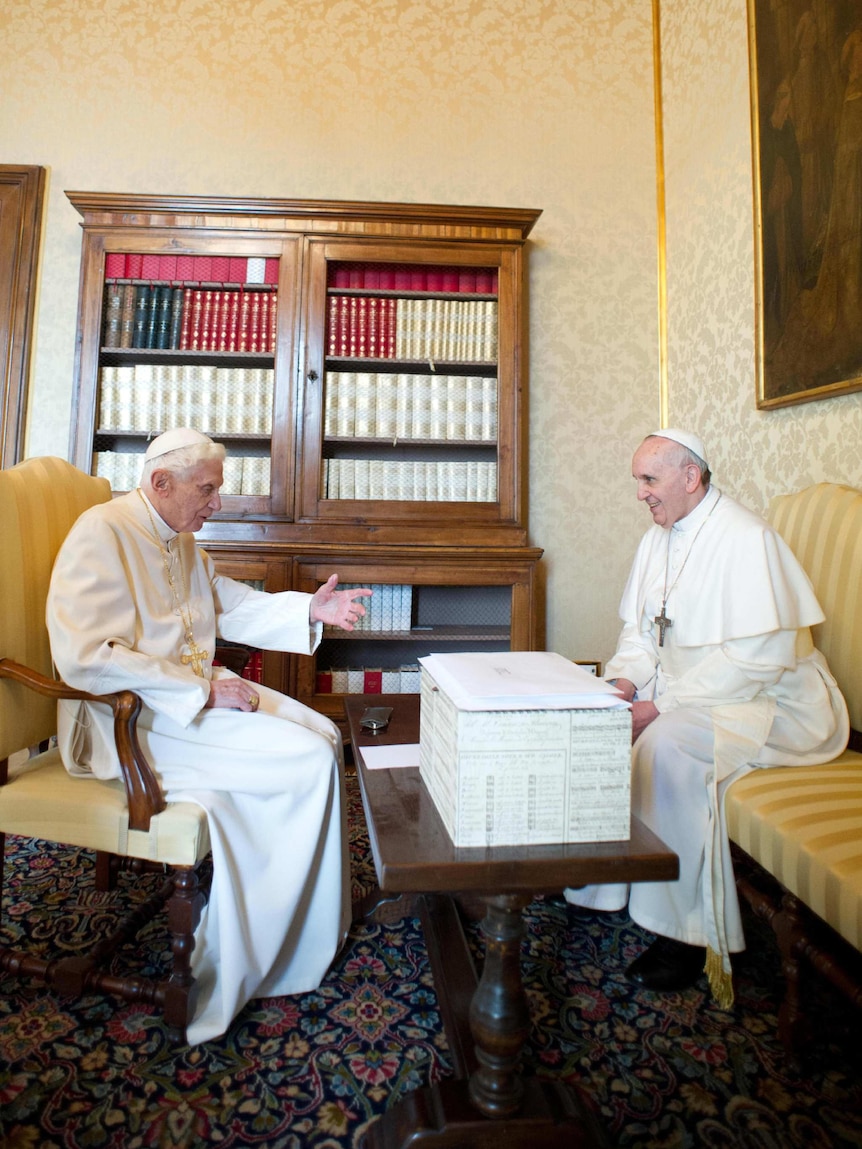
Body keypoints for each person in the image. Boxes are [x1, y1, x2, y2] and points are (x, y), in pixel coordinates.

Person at [47, 428, 372, 1044]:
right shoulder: (102, 531)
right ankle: (258, 955)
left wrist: (309, 611)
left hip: (186, 698)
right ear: (160, 483)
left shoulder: (180, 539)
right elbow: (86, 656)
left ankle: (309, 924)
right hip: (130, 718)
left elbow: (227, 603)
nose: (216, 503)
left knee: (324, 734)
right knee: (302, 759)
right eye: (208, 489)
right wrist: (199, 692)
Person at [565, 429, 848, 1007]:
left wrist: (658, 706)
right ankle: (604, 886)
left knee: (666, 745)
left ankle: (682, 937)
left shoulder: (746, 540)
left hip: (774, 702)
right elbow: (642, 635)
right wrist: (621, 685)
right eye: (638, 481)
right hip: (699, 691)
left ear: (689, 477)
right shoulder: (658, 538)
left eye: (650, 480)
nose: (640, 494)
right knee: (595, 718)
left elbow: (755, 662)